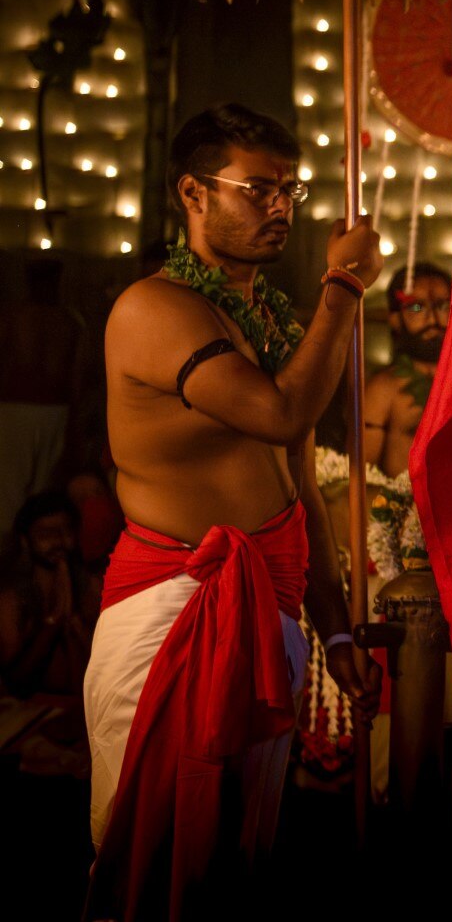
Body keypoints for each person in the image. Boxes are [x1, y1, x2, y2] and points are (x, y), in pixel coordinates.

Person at [84, 103, 382, 918]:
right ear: (193, 193)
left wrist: (339, 624)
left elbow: (295, 480)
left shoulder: (261, 320)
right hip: (177, 615)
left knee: (236, 872)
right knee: (159, 868)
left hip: (272, 616)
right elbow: (282, 412)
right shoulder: (156, 308)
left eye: (290, 189)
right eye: (258, 188)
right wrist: (346, 287)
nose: (281, 206)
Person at [0, 258, 86, 539]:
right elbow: (77, 379)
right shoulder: (70, 320)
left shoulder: (15, 316)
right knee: (34, 485)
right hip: (50, 409)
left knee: (14, 488)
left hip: (21, 408)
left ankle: (23, 551)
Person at [0, 490, 102, 697]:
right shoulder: (11, 599)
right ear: (25, 540)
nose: (58, 540)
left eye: (65, 531)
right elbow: (15, 680)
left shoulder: (92, 587)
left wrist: (78, 630)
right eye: (46, 534)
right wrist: (54, 621)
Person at [363, 261, 451, 482]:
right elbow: (361, 478)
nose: (432, 319)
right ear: (395, 319)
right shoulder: (383, 388)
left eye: (443, 306)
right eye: (416, 307)